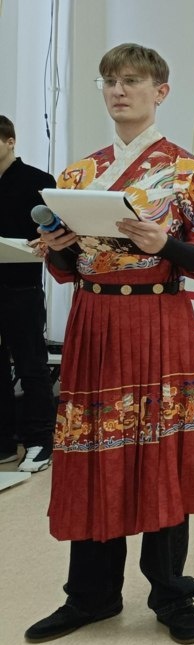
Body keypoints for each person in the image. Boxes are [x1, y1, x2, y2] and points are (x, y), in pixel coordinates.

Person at [25, 43, 194, 645]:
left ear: (160, 92)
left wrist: (163, 245)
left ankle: (171, 592)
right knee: (93, 450)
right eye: (110, 81)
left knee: (160, 450)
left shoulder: (189, 171)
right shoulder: (77, 175)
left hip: (158, 318)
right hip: (93, 321)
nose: (119, 91)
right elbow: (70, 269)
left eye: (133, 81)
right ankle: (90, 595)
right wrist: (58, 247)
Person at [0, 114, 57, 473]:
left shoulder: (38, 181)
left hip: (21, 287)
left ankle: (40, 441)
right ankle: (4, 443)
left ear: (10, 141)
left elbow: (49, 234)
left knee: (30, 365)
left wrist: (40, 242)